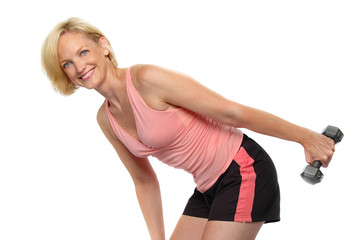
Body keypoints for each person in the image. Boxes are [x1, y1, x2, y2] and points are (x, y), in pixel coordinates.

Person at [41, 17, 335, 240]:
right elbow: (144, 181)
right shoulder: (106, 119)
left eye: (82, 52)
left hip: (242, 169)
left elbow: (231, 112)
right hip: (207, 187)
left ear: (103, 45)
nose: (78, 68)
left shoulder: (146, 79)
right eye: (67, 63)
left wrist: (306, 138)